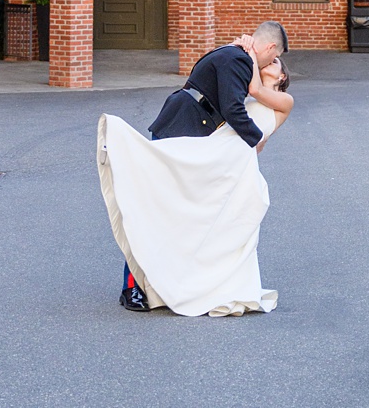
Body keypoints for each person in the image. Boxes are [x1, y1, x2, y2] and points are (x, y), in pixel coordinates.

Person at [98, 21, 292, 318]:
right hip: (183, 126)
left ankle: (160, 283)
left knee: (176, 213)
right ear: (270, 48)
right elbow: (232, 109)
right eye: (274, 56)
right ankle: (132, 287)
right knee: (153, 207)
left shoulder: (238, 57)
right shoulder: (239, 58)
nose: (272, 62)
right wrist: (253, 142)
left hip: (195, 135)